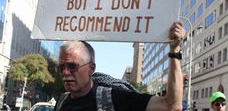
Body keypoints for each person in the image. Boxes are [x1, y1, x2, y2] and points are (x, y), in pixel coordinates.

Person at [55, 22, 185, 111]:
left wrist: (175, 50)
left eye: (72, 66)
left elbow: (171, 106)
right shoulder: (61, 101)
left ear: (91, 69)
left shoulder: (113, 97)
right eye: (61, 67)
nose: (65, 73)